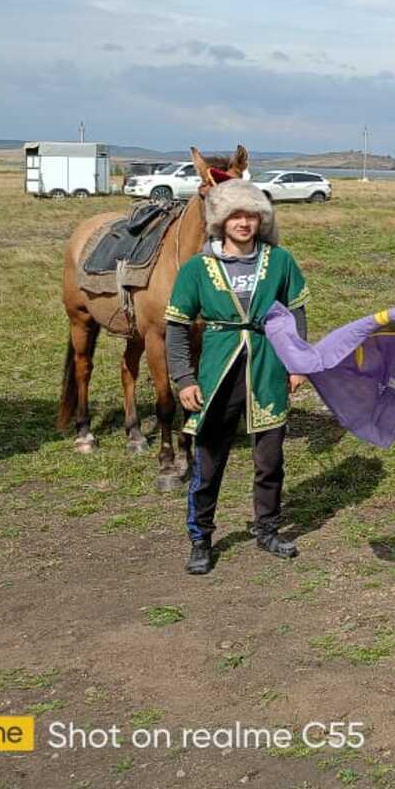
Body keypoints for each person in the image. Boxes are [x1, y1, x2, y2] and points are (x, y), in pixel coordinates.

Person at [166, 178, 309, 576]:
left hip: (267, 365)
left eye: (251, 215)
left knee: (270, 459)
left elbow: (295, 313)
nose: (244, 223)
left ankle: (267, 529)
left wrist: (297, 362)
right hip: (217, 369)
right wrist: (184, 378)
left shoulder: (279, 261)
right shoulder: (198, 268)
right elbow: (176, 327)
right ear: (220, 221)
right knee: (209, 460)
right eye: (235, 215)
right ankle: (201, 537)